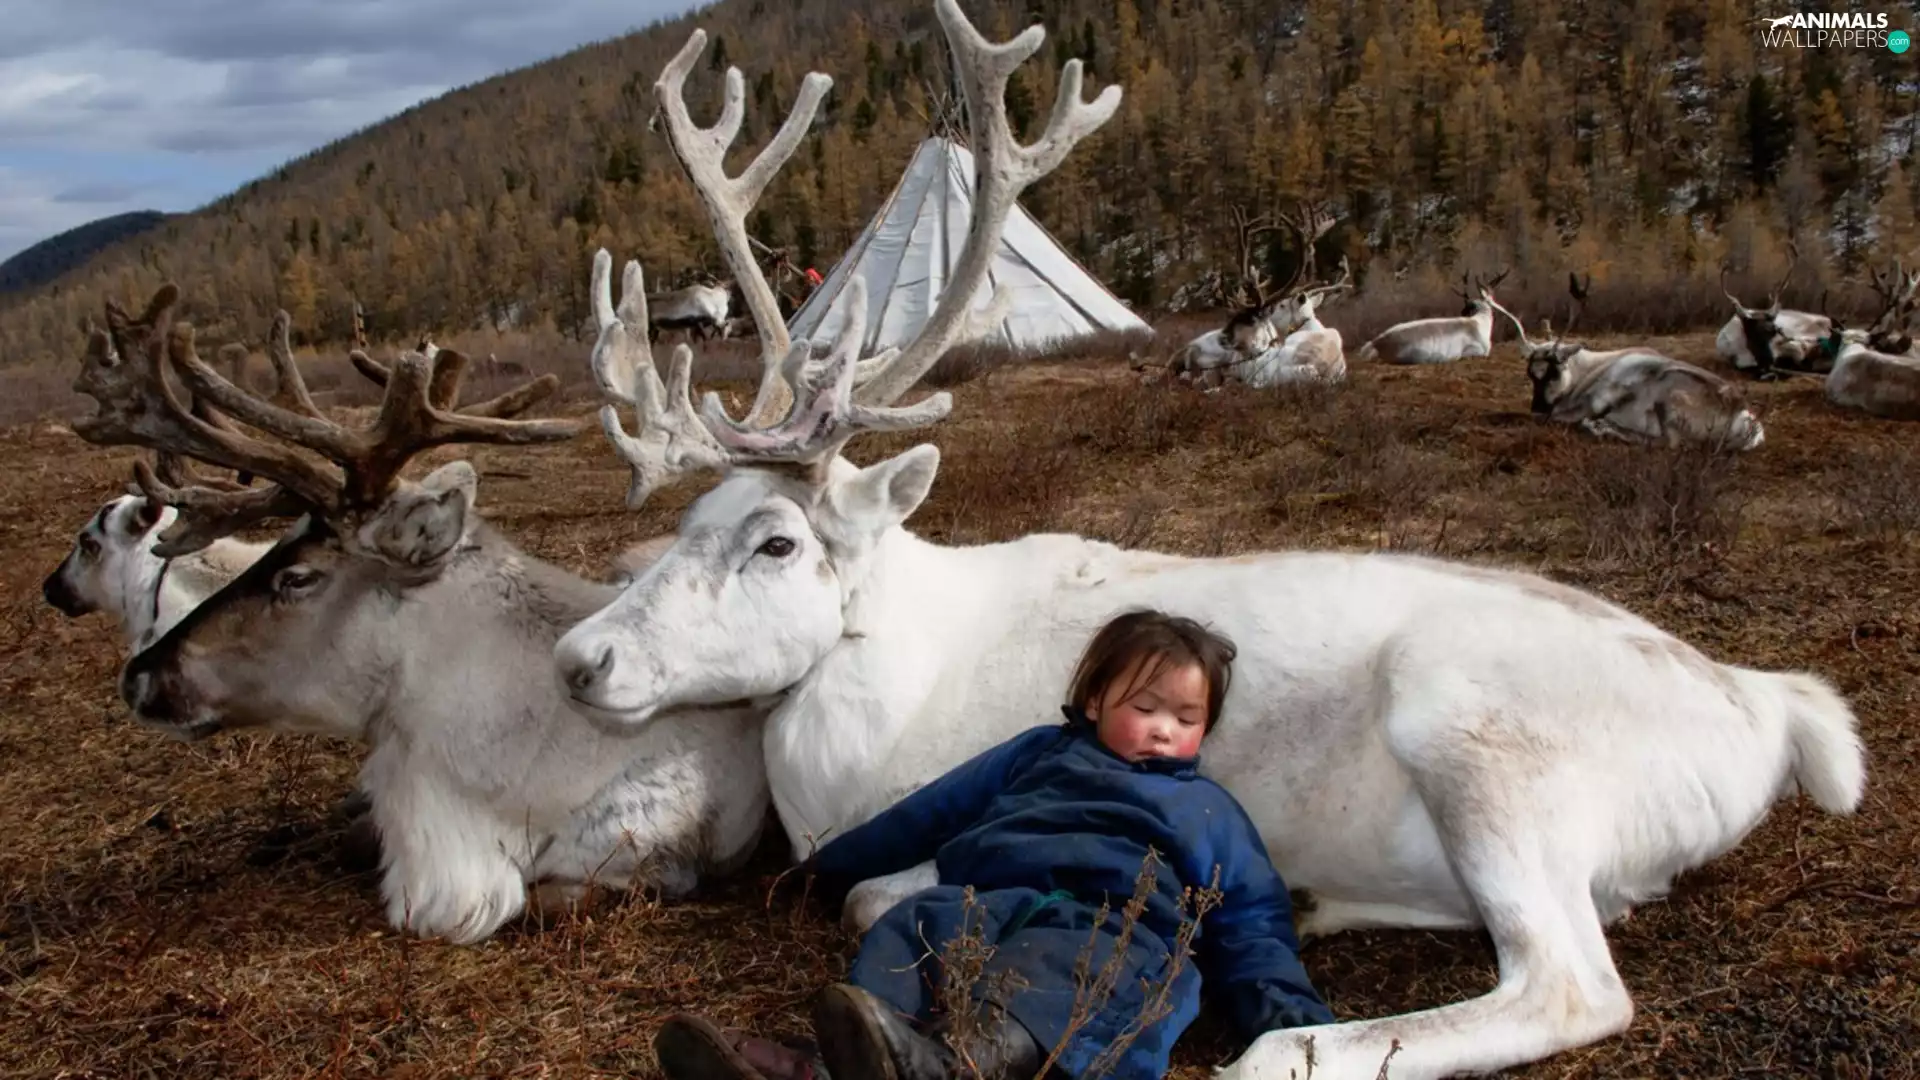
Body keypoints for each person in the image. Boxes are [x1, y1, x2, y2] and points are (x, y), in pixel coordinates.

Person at [654, 609, 1333, 1080]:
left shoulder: (1208, 808)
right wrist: (822, 873)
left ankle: (957, 1066)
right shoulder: (1039, 753)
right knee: (909, 926)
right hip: (986, 899)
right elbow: (930, 813)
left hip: (1113, 926)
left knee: (1075, 969)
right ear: (1094, 701)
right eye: (1145, 707)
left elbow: (1251, 922)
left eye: (1187, 718)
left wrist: (1297, 1029)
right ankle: (842, 1062)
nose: (1163, 730)